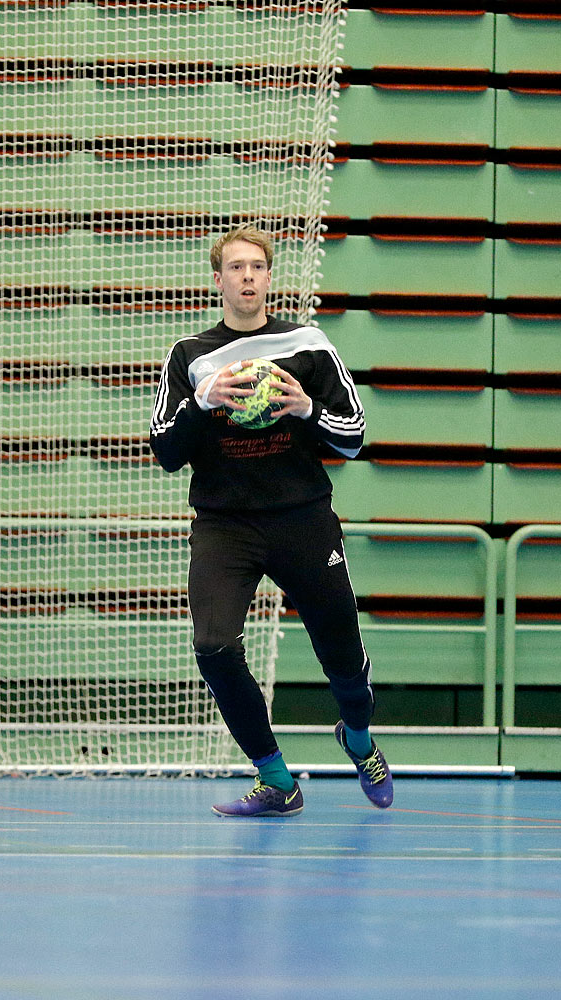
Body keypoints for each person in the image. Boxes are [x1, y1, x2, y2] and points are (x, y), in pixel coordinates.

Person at [148, 224, 391, 817]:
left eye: (257, 266)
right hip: (225, 525)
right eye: (235, 267)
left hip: (302, 518)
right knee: (212, 646)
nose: (247, 276)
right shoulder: (190, 356)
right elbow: (164, 450)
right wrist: (203, 403)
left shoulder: (307, 345)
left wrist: (306, 410)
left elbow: (355, 437)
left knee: (342, 656)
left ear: (269, 277)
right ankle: (277, 778)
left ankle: (358, 738)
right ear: (218, 280)